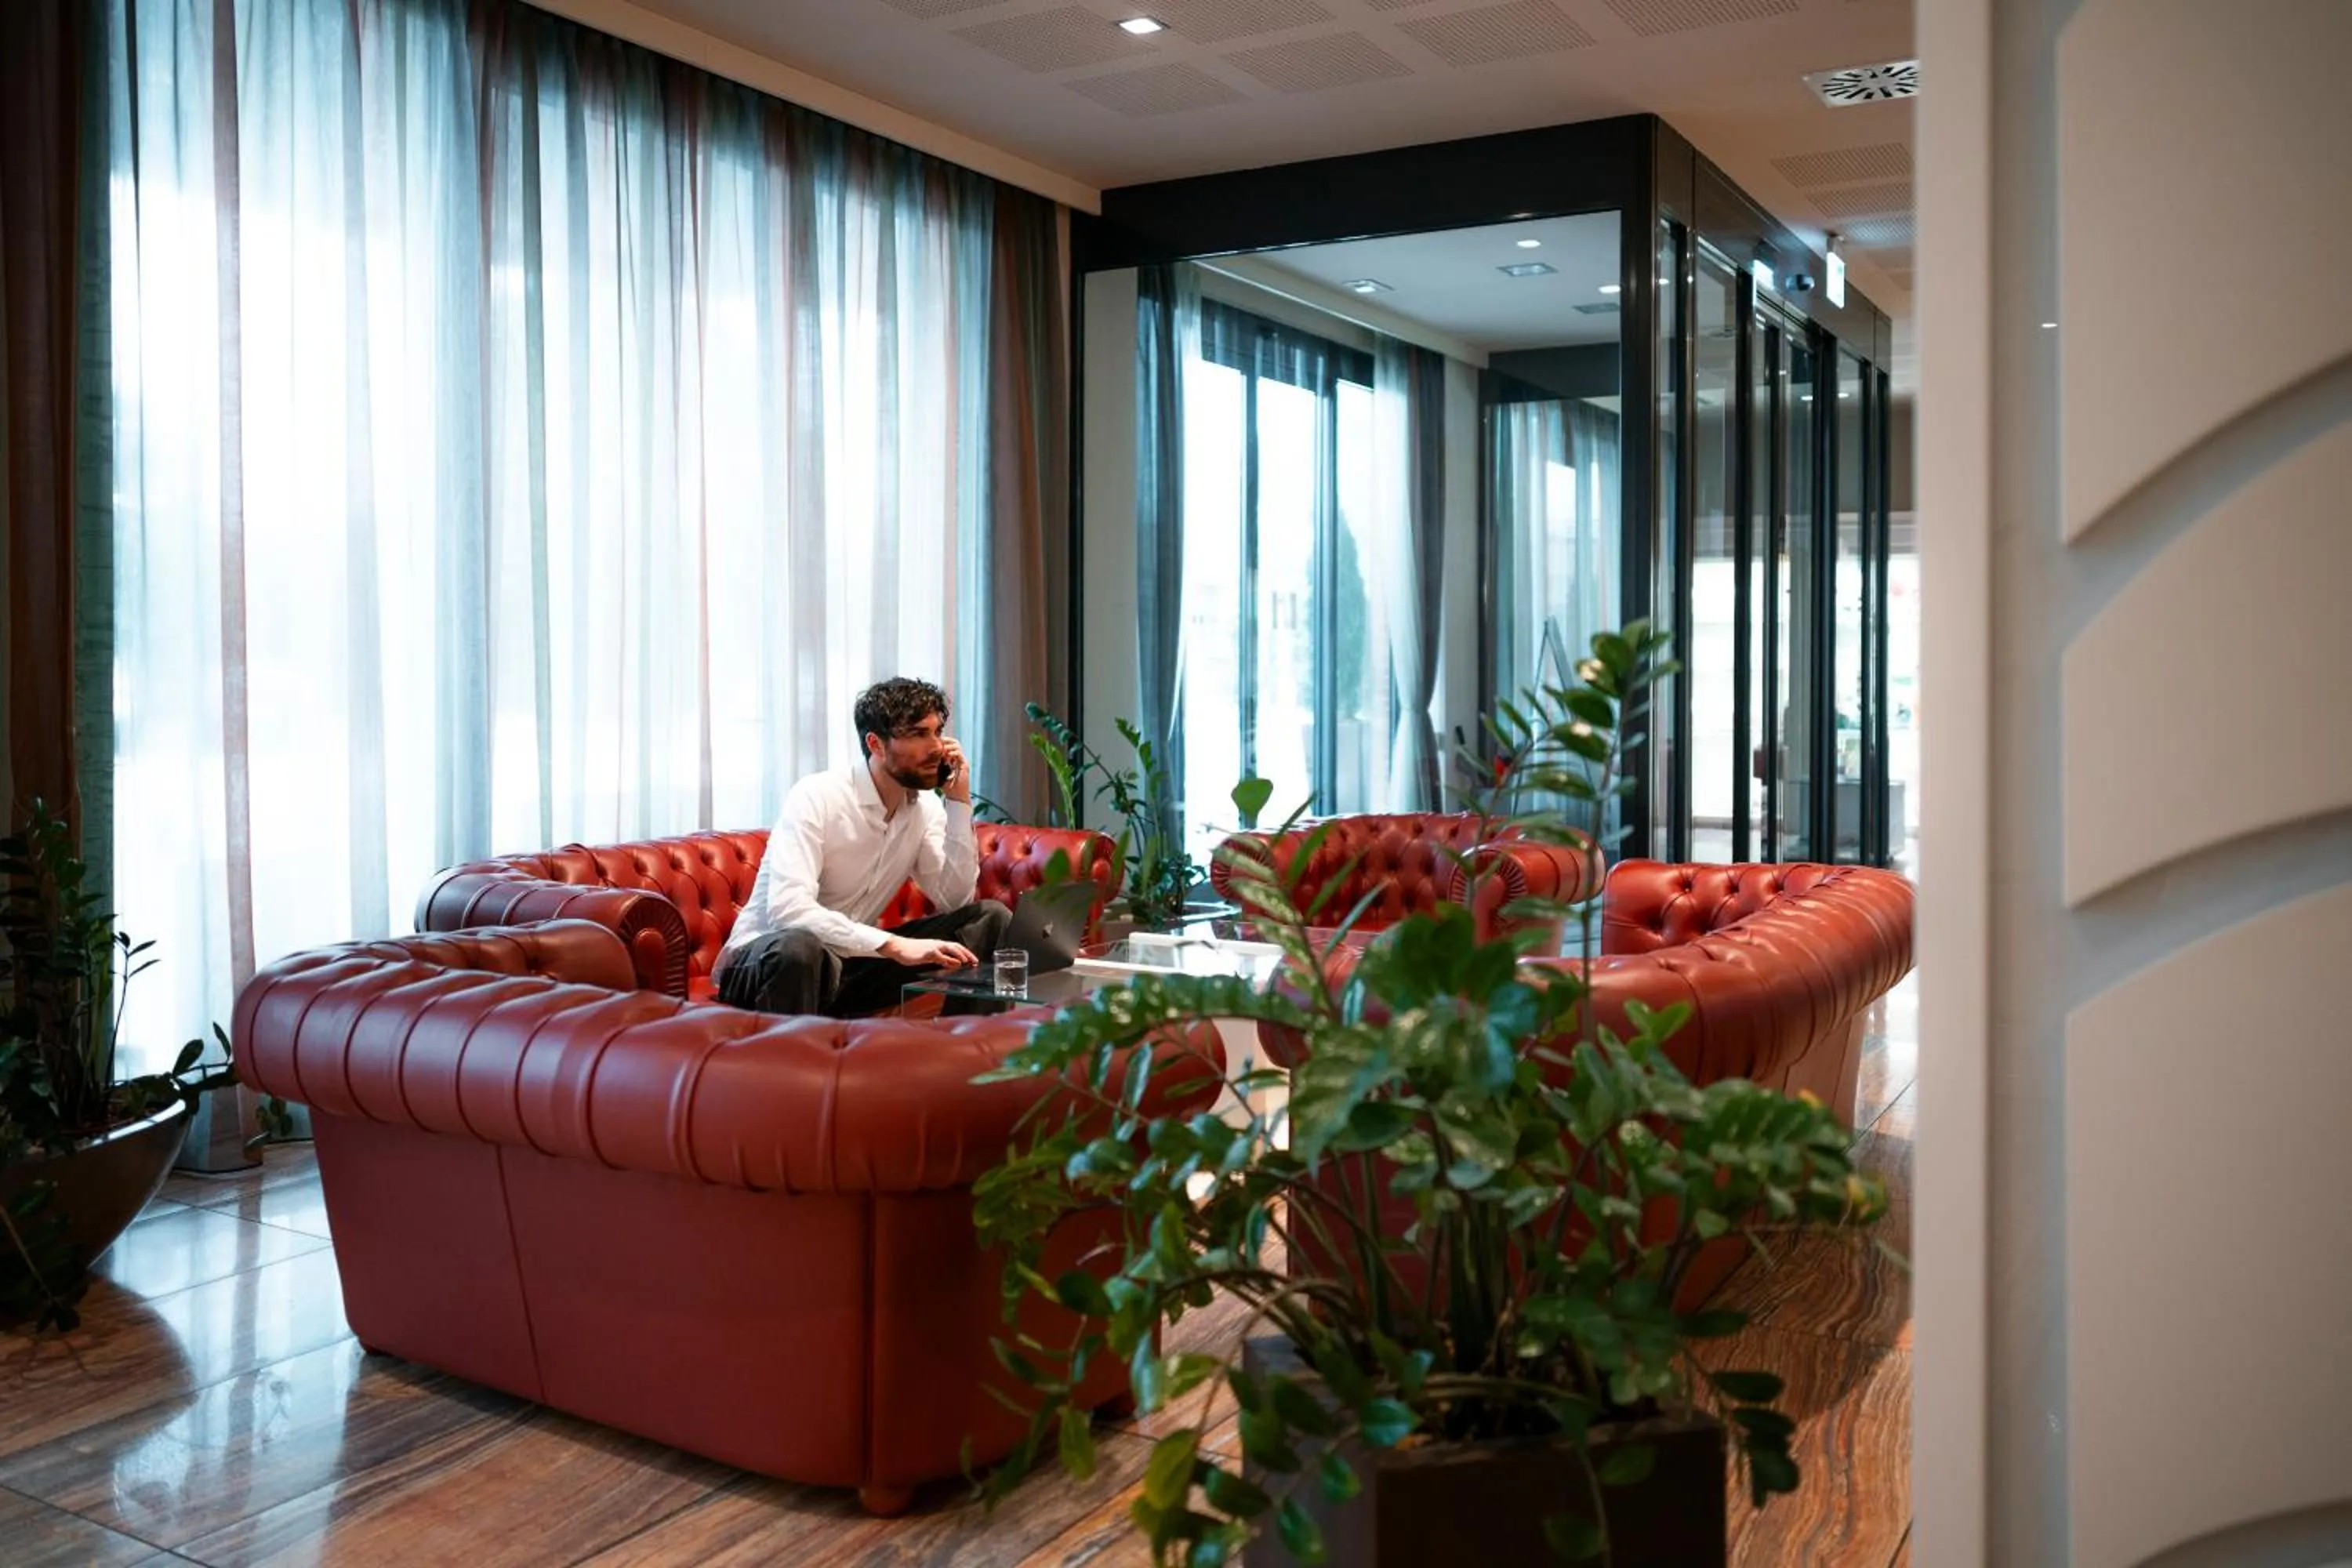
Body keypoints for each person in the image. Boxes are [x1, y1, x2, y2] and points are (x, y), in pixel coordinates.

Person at [715, 677, 1010, 1018]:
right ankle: (793, 1068)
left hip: (848, 965)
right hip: (766, 964)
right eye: (918, 733)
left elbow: (954, 899)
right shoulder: (817, 796)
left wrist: (958, 802)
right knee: (801, 947)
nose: (937, 747)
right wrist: (893, 945)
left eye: (937, 731)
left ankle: (967, 1054)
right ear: (876, 744)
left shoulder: (925, 809)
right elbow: (788, 911)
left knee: (989, 919)